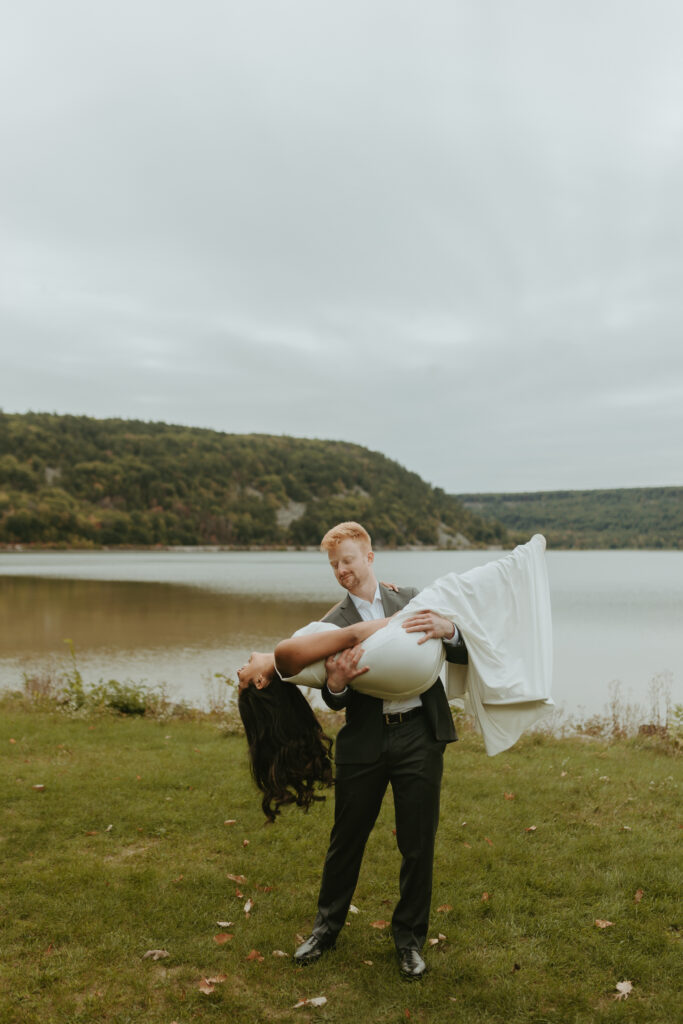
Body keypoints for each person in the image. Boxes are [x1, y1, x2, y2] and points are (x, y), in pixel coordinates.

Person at [238, 525, 554, 980]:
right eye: (334, 566)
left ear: (369, 555)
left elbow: (466, 651)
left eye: (348, 560)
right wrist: (336, 683)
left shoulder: (414, 597)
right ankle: (325, 931)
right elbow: (330, 697)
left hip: (419, 737)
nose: (342, 571)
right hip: (364, 741)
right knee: (346, 841)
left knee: (417, 842)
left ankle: (408, 941)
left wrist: (449, 631)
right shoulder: (333, 621)